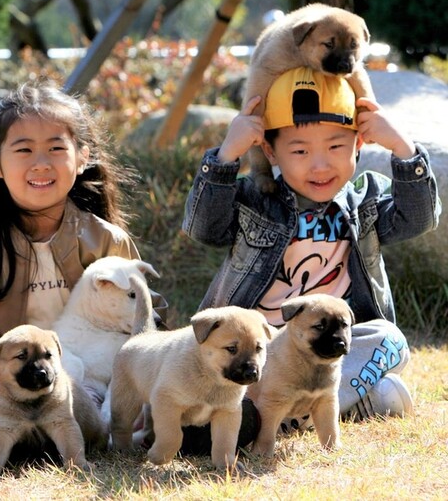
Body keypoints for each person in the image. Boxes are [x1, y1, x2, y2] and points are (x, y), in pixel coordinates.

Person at [0, 83, 182, 467]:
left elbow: (145, 320)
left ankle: (186, 429)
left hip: (101, 385)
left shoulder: (106, 240)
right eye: (24, 149)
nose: (41, 163)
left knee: (169, 392)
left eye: (56, 148)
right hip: (14, 386)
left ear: (82, 157)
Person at [183, 67, 440, 427]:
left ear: (359, 143)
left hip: (328, 343)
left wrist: (403, 148)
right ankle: (339, 402)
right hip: (261, 347)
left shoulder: (363, 200)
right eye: (300, 150)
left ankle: (288, 413)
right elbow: (204, 228)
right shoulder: (257, 199)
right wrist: (226, 157)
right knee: (383, 383)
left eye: (336, 146)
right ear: (271, 151)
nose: (320, 165)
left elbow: (418, 220)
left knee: (390, 340)